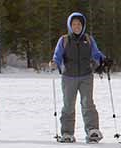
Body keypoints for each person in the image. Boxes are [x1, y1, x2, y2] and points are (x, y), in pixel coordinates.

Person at [50, 12, 109, 143]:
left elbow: (96, 53)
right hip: (68, 77)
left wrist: (104, 59)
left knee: (88, 103)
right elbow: (57, 55)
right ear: (70, 26)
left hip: (86, 76)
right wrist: (55, 63)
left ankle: (92, 130)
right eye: (74, 24)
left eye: (79, 24)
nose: (77, 27)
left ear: (83, 26)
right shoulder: (64, 40)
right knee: (68, 105)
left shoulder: (88, 39)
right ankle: (67, 132)